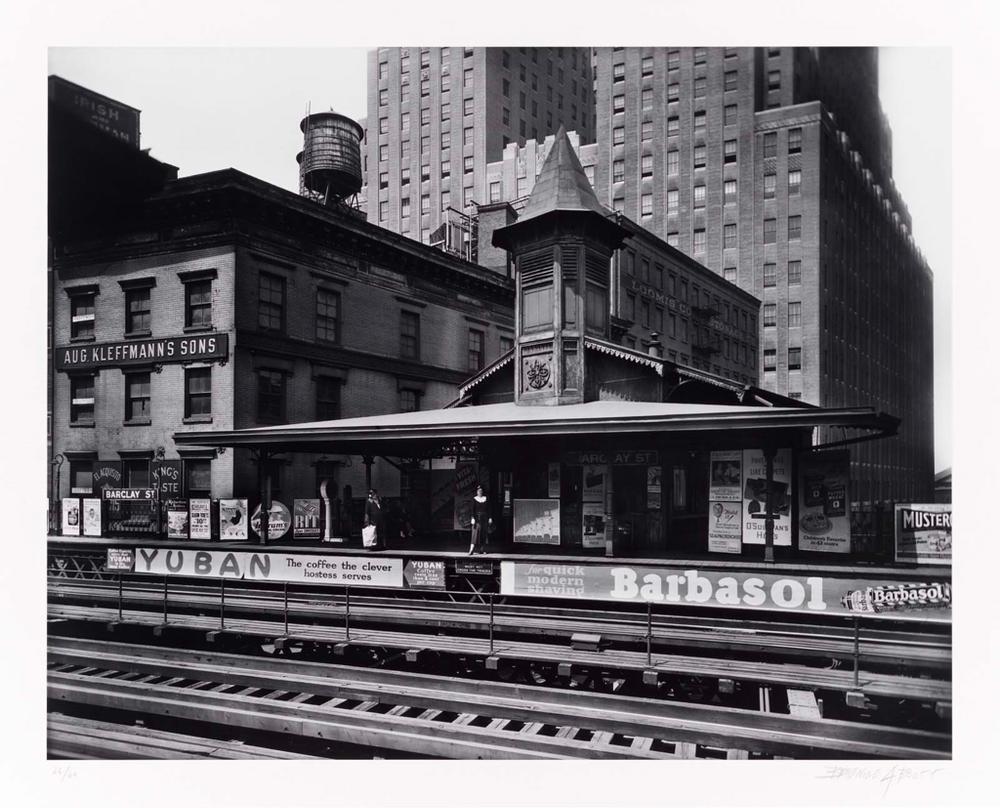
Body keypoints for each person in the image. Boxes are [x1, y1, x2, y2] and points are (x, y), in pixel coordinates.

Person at [468, 485, 492, 555]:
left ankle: (482, 549)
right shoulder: (474, 499)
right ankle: (471, 549)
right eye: (478, 491)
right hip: (477, 518)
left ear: (482, 492)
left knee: (483, 534)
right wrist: (472, 518)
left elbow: (489, 509)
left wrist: (490, 518)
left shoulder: (486, 498)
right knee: (475, 534)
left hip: (484, 518)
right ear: (477, 492)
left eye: (481, 491)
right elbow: (472, 510)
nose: (480, 492)